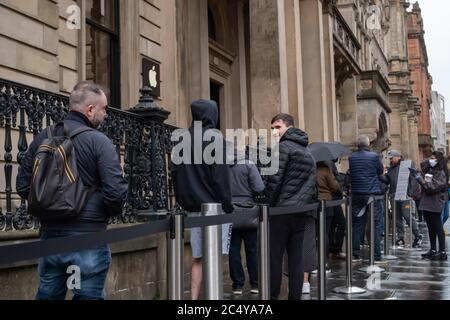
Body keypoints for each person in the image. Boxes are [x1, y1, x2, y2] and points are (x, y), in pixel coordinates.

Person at [16, 82, 128, 300]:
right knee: (88, 296)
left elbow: (23, 187)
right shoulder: (99, 142)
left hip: (50, 237)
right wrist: (97, 215)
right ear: (89, 110)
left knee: (48, 295)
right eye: (104, 109)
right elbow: (116, 193)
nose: (106, 115)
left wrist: (50, 208)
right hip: (88, 237)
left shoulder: (42, 138)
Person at [171, 99, 234, 300]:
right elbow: (220, 177)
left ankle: (193, 301)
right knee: (214, 257)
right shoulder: (214, 138)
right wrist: (227, 204)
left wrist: (183, 199)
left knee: (198, 257)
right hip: (214, 208)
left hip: (193, 208)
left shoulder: (182, 139)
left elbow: (174, 173)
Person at [265, 113, 317, 300]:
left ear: (290, 126)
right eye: (272, 128)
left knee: (275, 258)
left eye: (277, 127)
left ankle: (271, 297)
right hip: (300, 211)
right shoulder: (307, 151)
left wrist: (267, 205)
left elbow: (274, 180)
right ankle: (294, 297)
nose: (274, 131)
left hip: (281, 211)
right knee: (296, 259)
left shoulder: (283, 148)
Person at [227, 146, 265, 295]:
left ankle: (237, 285)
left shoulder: (222, 166)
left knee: (233, 249)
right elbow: (259, 187)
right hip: (249, 211)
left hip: (230, 211)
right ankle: (255, 283)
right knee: (252, 249)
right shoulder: (248, 163)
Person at [348, 135, 385, 262]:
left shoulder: (351, 157)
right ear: (368, 144)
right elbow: (380, 171)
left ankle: (355, 253)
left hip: (357, 194)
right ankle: (376, 254)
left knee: (358, 223)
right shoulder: (374, 156)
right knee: (375, 224)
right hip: (372, 194)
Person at [412, 151, 448, 261]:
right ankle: (432, 250)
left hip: (435, 202)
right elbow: (423, 165)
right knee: (430, 228)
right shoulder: (431, 169)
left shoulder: (441, 173)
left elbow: (432, 187)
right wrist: (428, 160)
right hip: (427, 202)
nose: (430, 160)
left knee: (438, 227)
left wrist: (420, 180)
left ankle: (442, 252)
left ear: (439, 160)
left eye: (433, 158)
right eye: (430, 158)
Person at [385, 150, 422, 248]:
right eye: (390, 159)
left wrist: (411, 193)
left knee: (408, 216)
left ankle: (418, 236)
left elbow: (414, 179)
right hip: (394, 195)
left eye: (392, 158)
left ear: (398, 157)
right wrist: (382, 175)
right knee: (397, 218)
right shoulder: (391, 169)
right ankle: (400, 237)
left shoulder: (407, 165)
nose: (390, 160)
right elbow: (387, 181)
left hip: (405, 195)